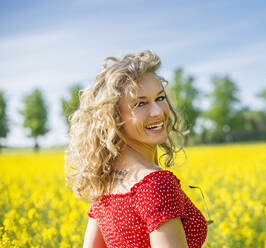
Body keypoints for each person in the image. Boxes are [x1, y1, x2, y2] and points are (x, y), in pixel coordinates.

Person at [64, 50, 208, 248]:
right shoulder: (155, 185)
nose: (157, 112)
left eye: (159, 98)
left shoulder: (104, 180)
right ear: (113, 118)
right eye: (140, 104)